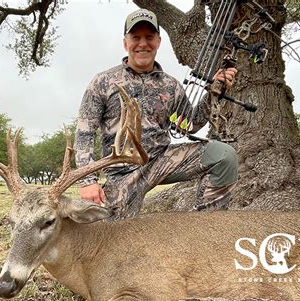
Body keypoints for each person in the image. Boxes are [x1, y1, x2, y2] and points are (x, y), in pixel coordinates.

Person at [74, 8, 238, 220]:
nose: (143, 44)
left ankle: (205, 227)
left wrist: (215, 90)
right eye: (136, 37)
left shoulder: (171, 85)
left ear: (159, 42)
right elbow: (84, 134)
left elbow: (191, 123)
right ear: (126, 43)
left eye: (149, 37)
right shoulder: (103, 82)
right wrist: (88, 182)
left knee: (223, 156)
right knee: (113, 234)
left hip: (162, 160)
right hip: (122, 173)